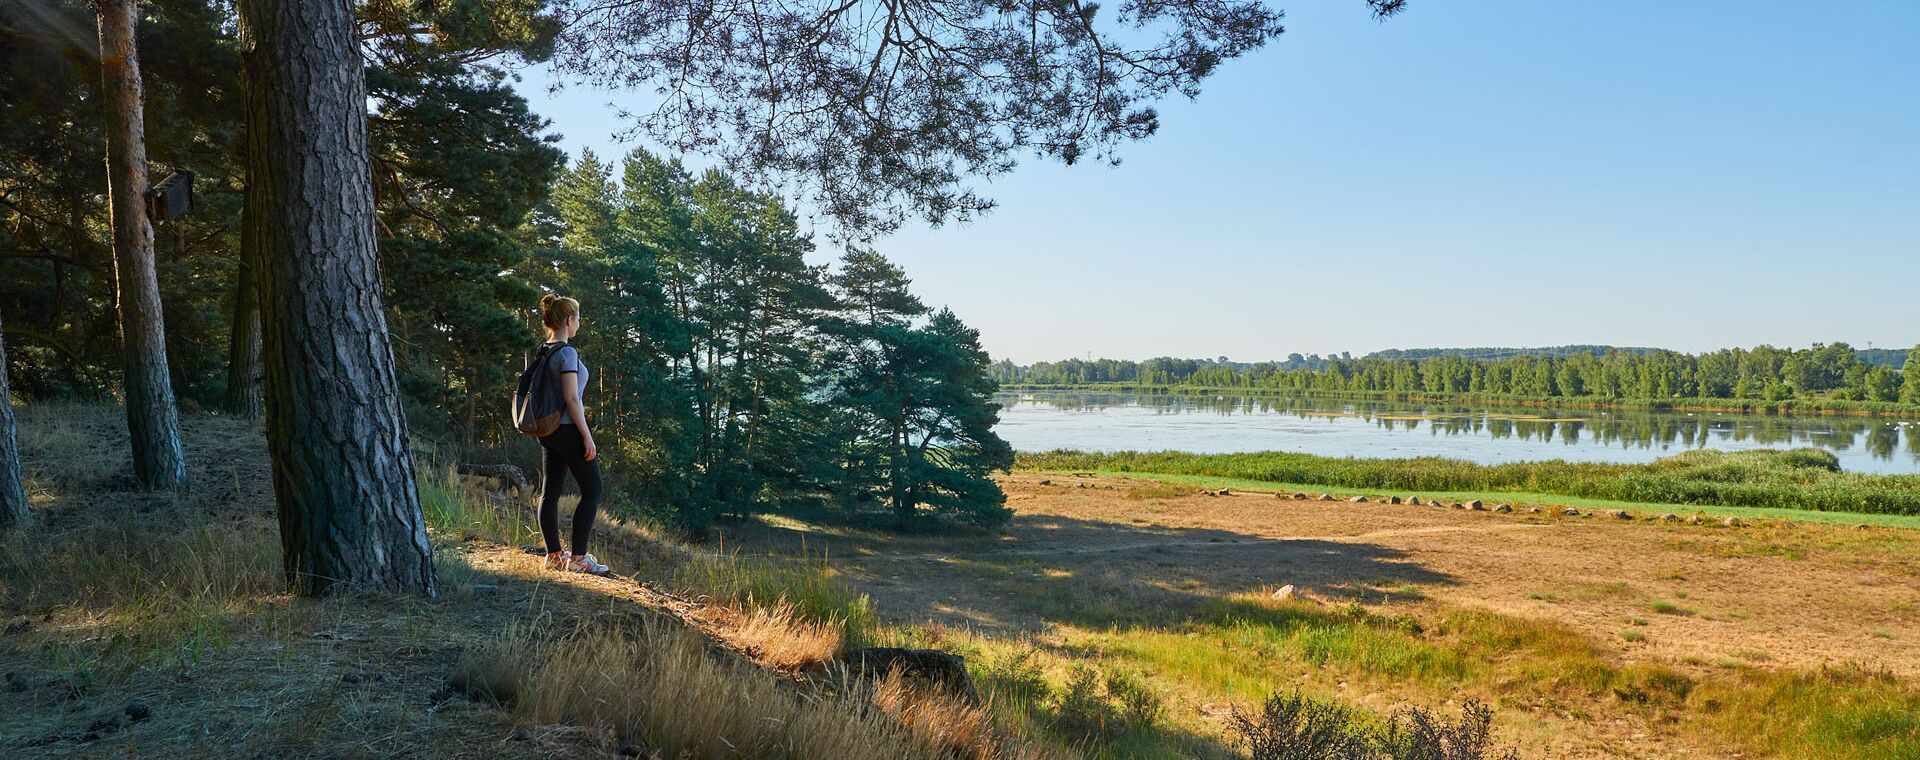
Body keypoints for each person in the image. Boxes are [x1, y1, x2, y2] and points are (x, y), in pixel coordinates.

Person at [534, 294, 609, 575]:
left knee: (549, 492)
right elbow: (571, 399)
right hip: (567, 429)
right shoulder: (567, 353)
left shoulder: (542, 350)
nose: (579, 323)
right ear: (568, 320)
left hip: (548, 431)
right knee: (592, 489)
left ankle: (554, 555)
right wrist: (587, 436)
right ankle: (578, 558)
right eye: (577, 318)